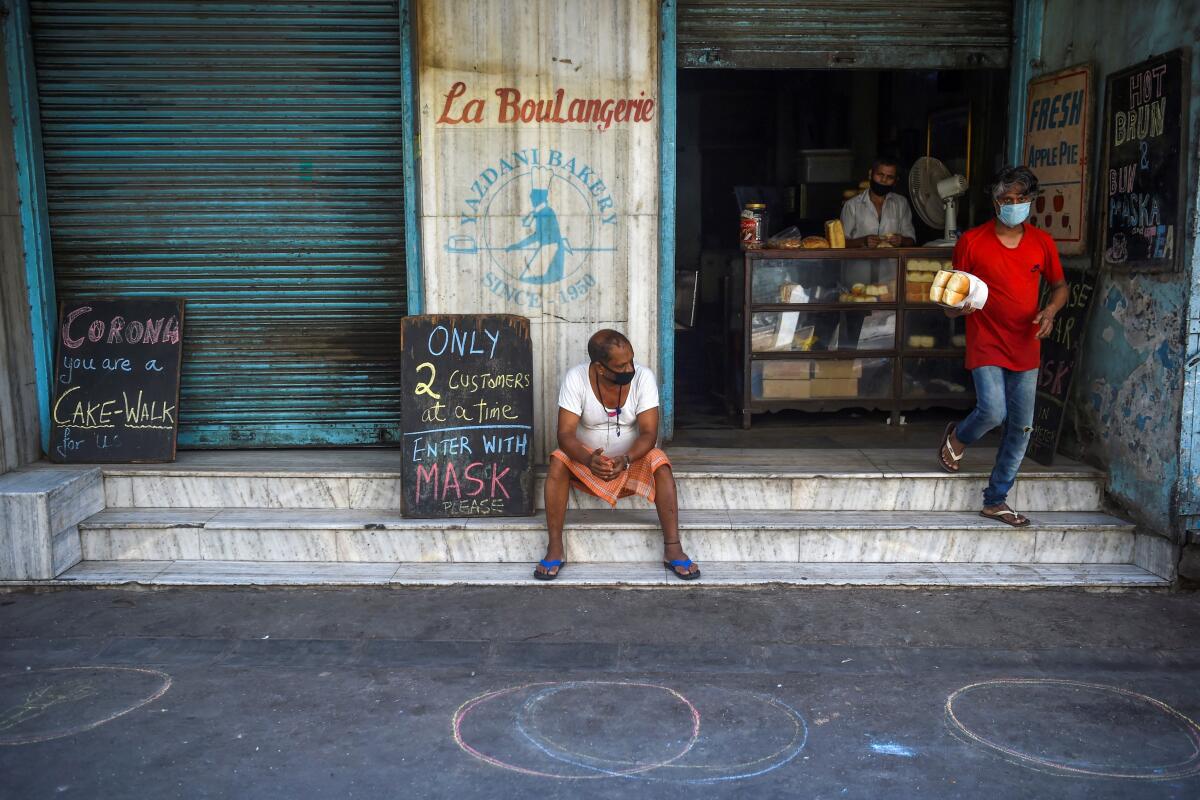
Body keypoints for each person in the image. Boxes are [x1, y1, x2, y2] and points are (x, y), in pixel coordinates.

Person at [937, 165, 1068, 527]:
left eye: (1021, 199)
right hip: (986, 339)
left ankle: (995, 500)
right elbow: (953, 297)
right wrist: (954, 309)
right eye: (1006, 199)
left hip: (1027, 344)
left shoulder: (1042, 243)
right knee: (993, 411)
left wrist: (1051, 312)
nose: (1014, 205)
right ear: (995, 203)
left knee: (1021, 427)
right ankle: (959, 436)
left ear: (1031, 201)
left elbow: (1060, 287)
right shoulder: (971, 242)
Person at [534, 329, 700, 581]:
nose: (630, 368)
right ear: (600, 368)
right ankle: (555, 547)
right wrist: (589, 460)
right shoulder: (576, 378)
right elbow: (565, 434)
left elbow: (648, 433)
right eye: (621, 365)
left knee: (661, 463)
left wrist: (627, 459)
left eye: (631, 360)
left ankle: (673, 547)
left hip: (630, 460)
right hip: (588, 462)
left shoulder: (643, 378)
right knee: (558, 460)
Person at [840, 156, 917, 248]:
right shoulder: (851, 205)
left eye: (890, 177)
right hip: (861, 262)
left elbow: (911, 240)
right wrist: (863, 241)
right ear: (871, 174)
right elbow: (840, 243)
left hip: (892, 262)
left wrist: (901, 240)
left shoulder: (901, 203)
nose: (884, 180)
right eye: (880, 174)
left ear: (895, 180)